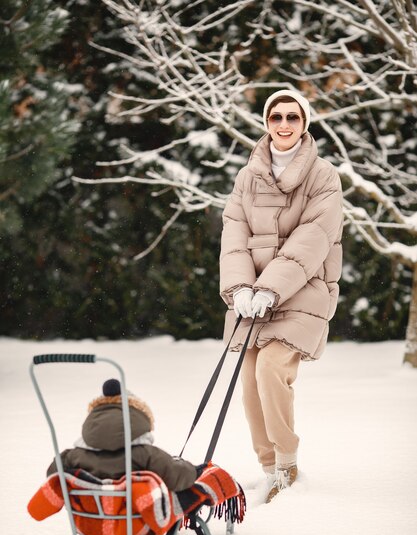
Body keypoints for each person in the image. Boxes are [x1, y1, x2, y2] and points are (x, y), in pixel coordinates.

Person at [219, 89, 343, 502]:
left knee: (272, 367)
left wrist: (270, 287)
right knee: (250, 379)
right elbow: (234, 234)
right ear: (267, 122)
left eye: (293, 117)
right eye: (277, 117)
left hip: (303, 290)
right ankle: (268, 468)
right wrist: (240, 288)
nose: (285, 125)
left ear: (305, 123)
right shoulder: (247, 176)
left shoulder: (323, 175)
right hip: (252, 296)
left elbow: (314, 238)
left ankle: (287, 466)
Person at [47, 378, 206, 492]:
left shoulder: (75, 456)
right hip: (135, 524)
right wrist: (194, 470)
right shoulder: (144, 454)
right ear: (138, 421)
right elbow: (175, 475)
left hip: (92, 522)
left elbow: (52, 475)